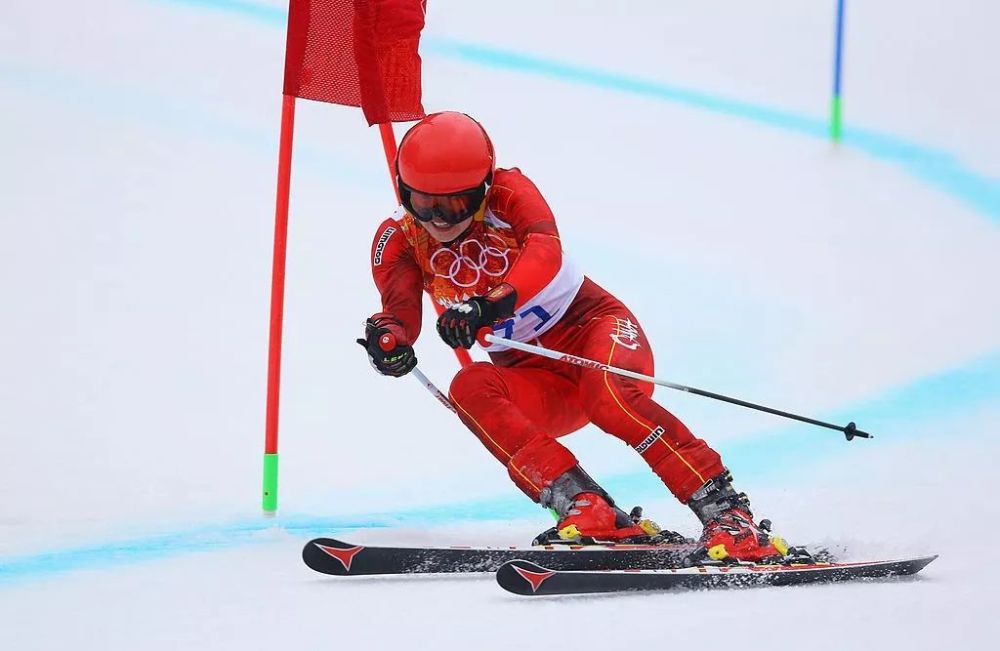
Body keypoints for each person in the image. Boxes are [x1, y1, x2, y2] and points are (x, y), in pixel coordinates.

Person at [358, 111, 788, 562]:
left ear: (483, 190)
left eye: (455, 206)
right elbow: (399, 311)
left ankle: (727, 513)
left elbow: (545, 249)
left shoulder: (509, 191)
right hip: (537, 379)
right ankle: (586, 505)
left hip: (593, 330)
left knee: (609, 397)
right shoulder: (398, 239)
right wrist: (390, 340)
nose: (438, 221)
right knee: (469, 388)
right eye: (422, 204)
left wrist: (491, 303)